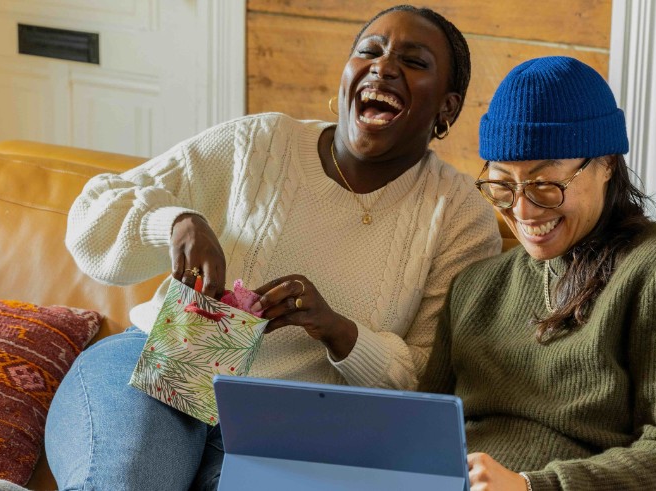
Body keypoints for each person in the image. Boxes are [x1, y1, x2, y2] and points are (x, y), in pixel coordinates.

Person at [45, 5, 502, 490]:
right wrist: (176, 223)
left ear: (447, 108)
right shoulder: (261, 143)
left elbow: (430, 384)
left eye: (413, 61)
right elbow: (92, 212)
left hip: (290, 430)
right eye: (369, 51)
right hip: (162, 367)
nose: (383, 66)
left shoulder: (458, 215)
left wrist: (341, 333)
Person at [419, 56, 656, 491]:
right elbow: (419, 432)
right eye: (502, 185)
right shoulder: (473, 287)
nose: (523, 210)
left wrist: (533, 487)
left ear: (605, 163)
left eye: (545, 184)